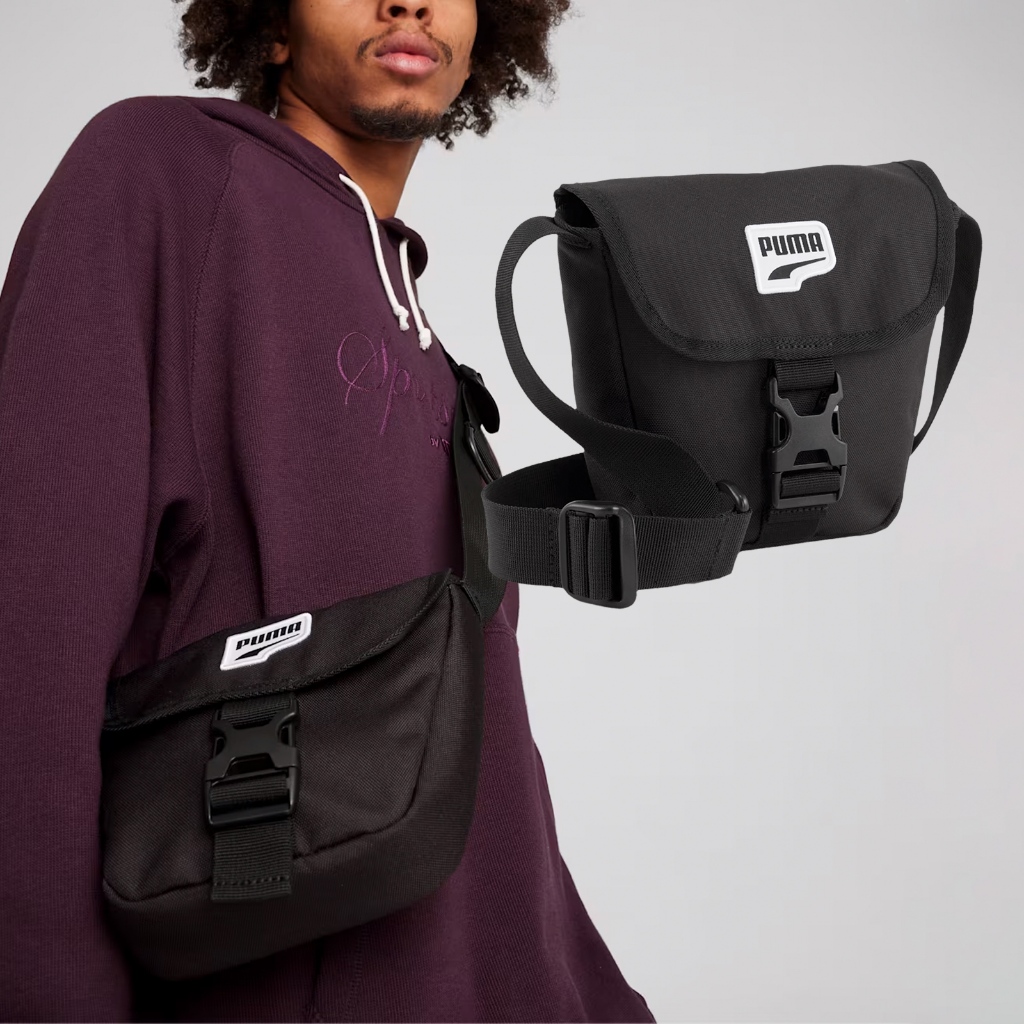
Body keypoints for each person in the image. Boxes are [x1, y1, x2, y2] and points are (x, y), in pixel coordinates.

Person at [0, 1, 657, 1021]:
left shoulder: (425, 339)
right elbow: (28, 647)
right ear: (269, 24)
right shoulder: (162, 177)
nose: (409, 1)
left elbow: (483, 758)